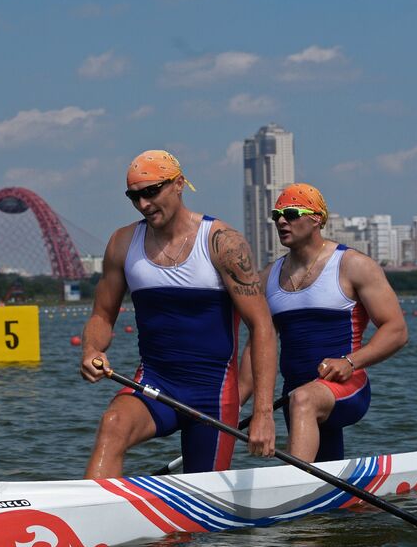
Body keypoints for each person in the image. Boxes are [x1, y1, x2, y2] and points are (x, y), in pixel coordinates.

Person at [80, 150, 277, 477]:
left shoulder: (222, 243)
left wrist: (264, 413)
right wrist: (92, 349)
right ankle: (85, 521)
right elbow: (102, 316)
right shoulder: (122, 243)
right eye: (134, 196)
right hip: (154, 384)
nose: (143, 204)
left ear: (179, 184)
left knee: (201, 519)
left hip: (212, 396)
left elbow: (262, 327)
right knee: (112, 425)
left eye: (151, 192)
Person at [249, 183, 408, 464]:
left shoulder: (353, 266)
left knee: (304, 400)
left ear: (317, 219)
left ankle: (292, 496)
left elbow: (396, 330)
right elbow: (257, 348)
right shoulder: (268, 277)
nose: (282, 221)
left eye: (292, 213)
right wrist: (229, 405)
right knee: (325, 469)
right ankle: (333, 504)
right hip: (294, 393)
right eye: (277, 216)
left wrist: (349, 362)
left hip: (347, 387)